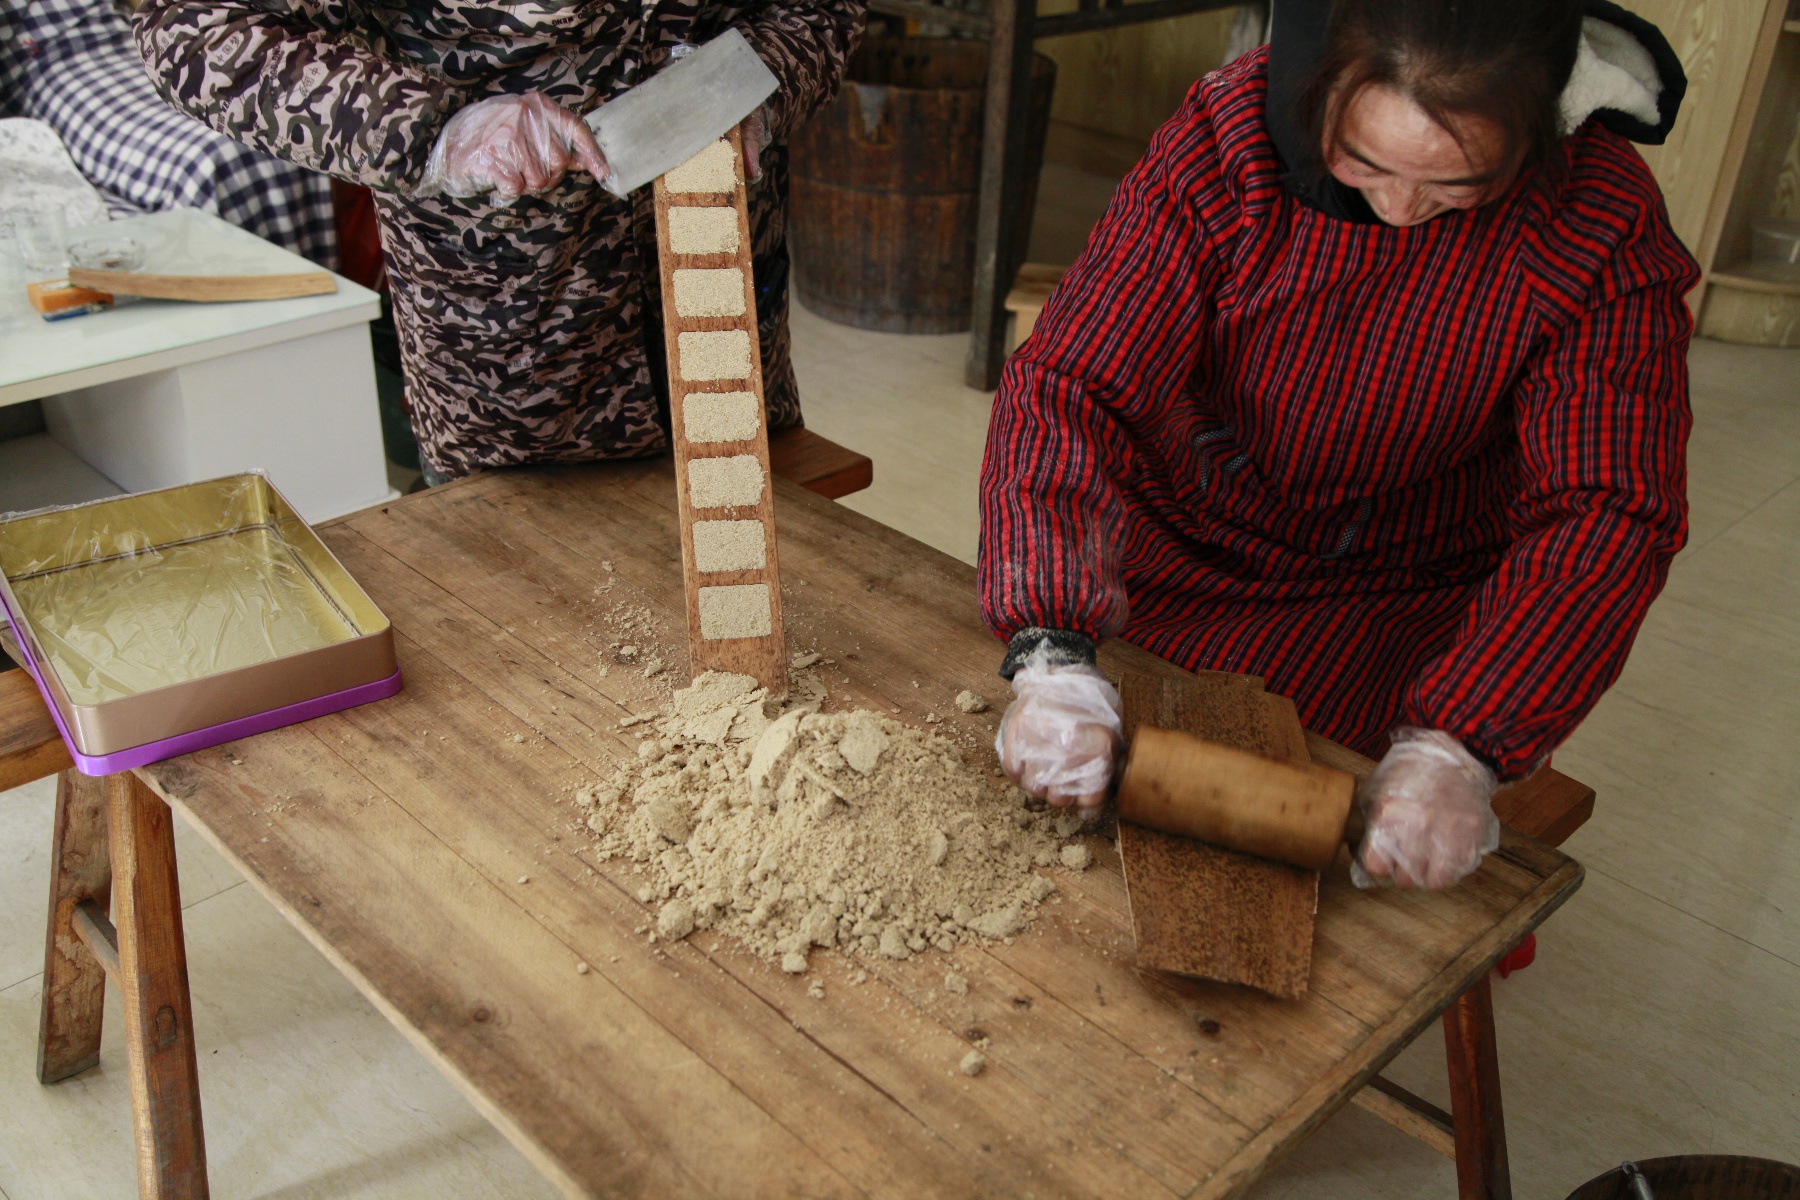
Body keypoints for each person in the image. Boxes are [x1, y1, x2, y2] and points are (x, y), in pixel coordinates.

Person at [982, 0, 1697, 889]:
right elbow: (1071, 384)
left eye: (1456, 185)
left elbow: (1608, 509)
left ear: (1539, 130)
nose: (1399, 209)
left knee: (1275, 848)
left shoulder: (1601, 218)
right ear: (1317, 88)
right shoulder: (1229, 136)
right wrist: (1052, 647)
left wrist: (1463, 741)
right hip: (1182, 535)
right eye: (1362, 161)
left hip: (1396, 585)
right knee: (1048, 782)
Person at [132, 0, 864, 483]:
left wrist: (759, 82)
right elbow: (196, 27)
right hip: (509, 375)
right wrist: (432, 129)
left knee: (750, 601)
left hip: (729, 332)